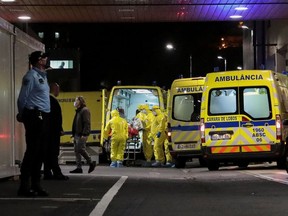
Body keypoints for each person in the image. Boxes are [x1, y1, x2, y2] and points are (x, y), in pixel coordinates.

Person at [16, 51, 50, 197]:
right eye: (44, 58)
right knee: (32, 151)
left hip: (43, 115)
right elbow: (22, 98)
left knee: (40, 152)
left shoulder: (42, 76)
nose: (46, 59)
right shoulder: (31, 76)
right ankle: (24, 186)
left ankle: (36, 185)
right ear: (38, 61)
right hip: (35, 115)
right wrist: (23, 115)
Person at [43, 82, 69, 180]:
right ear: (53, 89)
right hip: (52, 132)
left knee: (46, 152)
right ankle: (56, 172)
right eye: (58, 89)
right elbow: (56, 118)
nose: (59, 91)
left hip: (45, 131)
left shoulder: (45, 100)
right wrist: (59, 129)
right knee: (53, 152)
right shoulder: (53, 101)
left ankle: (47, 172)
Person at [70, 96, 96, 174]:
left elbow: (86, 123)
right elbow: (76, 123)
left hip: (81, 134)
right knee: (76, 151)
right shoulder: (78, 111)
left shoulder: (84, 110)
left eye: (76, 100)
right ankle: (79, 168)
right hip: (76, 134)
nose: (75, 102)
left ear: (80, 101)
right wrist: (73, 134)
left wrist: (85, 133)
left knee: (80, 149)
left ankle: (91, 162)